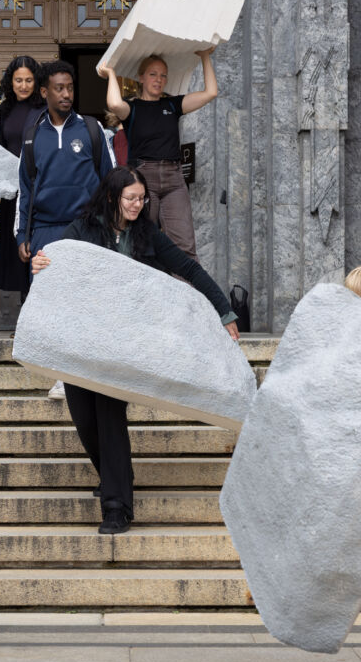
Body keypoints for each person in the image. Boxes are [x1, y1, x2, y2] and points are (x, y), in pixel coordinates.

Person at [31, 167, 239, 534]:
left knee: (110, 418)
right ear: (112, 197)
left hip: (123, 345)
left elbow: (188, 268)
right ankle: (115, 476)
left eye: (142, 198)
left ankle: (117, 506)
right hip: (82, 340)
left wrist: (224, 311)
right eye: (131, 198)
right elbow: (57, 263)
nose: (138, 205)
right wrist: (40, 263)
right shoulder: (83, 229)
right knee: (85, 419)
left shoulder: (147, 234)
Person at [16, 60, 115, 401]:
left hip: (87, 230)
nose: (66, 94)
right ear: (44, 92)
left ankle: (89, 372)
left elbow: (111, 182)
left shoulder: (92, 130)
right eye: (59, 88)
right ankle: (61, 377)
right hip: (45, 232)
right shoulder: (32, 138)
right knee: (50, 306)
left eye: (70, 88)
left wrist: (111, 229)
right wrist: (22, 236)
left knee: (86, 301)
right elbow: (25, 191)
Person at [99, 48, 219, 260]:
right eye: (153, 74)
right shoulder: (133, 108)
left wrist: (204, 57)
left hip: (174, 178)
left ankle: (185, 292)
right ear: (141, 77)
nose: (159, 79)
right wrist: (110, 73)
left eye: (163, 75)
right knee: (140, 242)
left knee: (185, 244)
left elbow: (211, 93)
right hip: (145, 179)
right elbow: (114, 104)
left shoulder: (172, 104)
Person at [0, 56, 45, 297]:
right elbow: (4, 148)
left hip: (38, 187)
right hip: (12, 189)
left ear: (36, 82)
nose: (23, 85)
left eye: (29, 80)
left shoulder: (45, 109)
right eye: (18, 80)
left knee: (35, 246)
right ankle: (24, 318)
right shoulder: (5, 110)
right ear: (10, 82)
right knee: (17, 248)